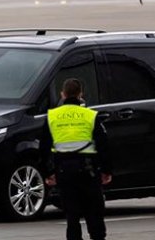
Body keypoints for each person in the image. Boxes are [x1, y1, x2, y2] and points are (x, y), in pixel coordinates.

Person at [45, 78, 112, 240]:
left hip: (64, 171)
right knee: (94, 213)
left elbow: (44, 147)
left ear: (63, 94)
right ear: (81, 94)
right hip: (88, 171)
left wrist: (49, 172)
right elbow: (103, 144)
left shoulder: (52, 116)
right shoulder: (90, 115)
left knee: (72, 215)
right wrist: (106, 170)